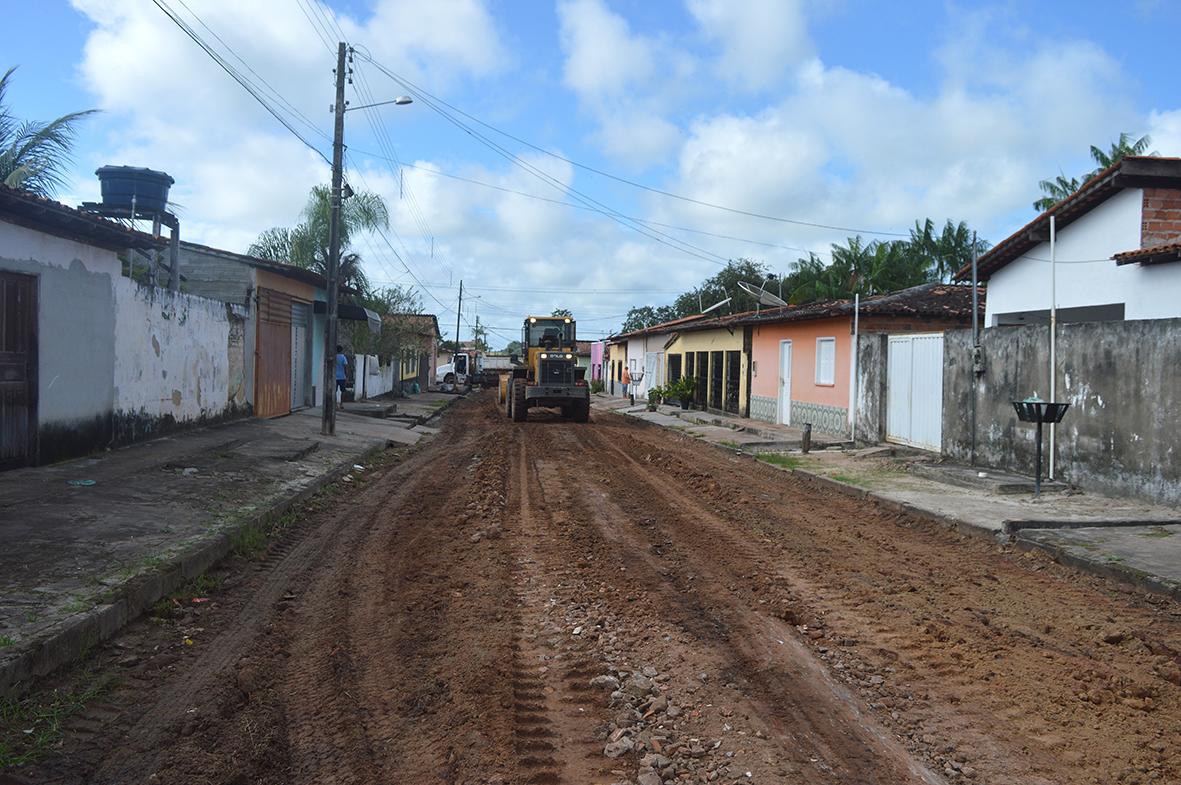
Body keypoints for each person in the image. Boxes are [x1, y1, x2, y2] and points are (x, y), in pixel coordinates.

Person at [335, 345, 348, 410]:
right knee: (343, 391)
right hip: (342, 377)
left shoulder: (334, 357)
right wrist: (346, 376)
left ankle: (335, 405)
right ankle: (341, 404)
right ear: (341, 350)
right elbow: (345, 367)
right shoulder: (343, 357)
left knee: (334, 391)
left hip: (334, 377)